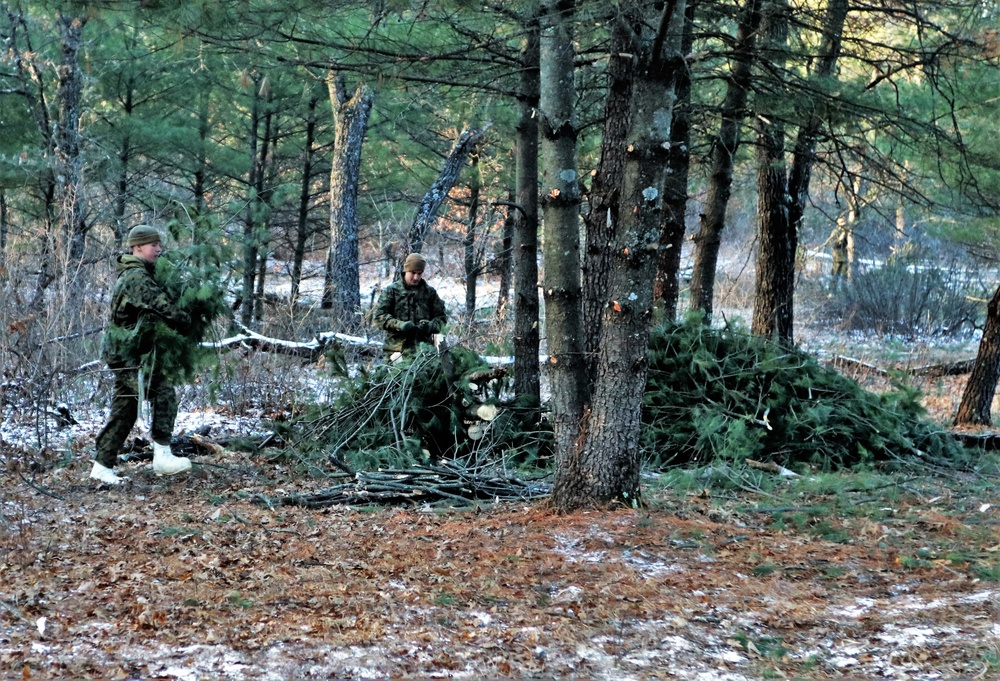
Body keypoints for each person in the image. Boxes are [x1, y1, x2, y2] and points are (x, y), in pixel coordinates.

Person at [90, 224, 194, 485]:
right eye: (153, 245)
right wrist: (187, 320)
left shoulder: (137, 273)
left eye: (159, 244)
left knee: (125, 408)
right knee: (163, 391)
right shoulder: (136, 276)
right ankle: (162, 454)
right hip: (127, 354)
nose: (158, 249)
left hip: (125, 353)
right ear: (137, 247)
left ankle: (102, 466)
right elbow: (162, 307)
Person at [373, 252, 447, 358]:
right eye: (413, 272)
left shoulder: (430, 293)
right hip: (396, 352)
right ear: (406, 270)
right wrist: (399, 325)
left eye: (419, 273)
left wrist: (430, 326)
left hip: (424, 353)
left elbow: (442, 320)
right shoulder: (392, 291)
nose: (416, 277)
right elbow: (379, 317)